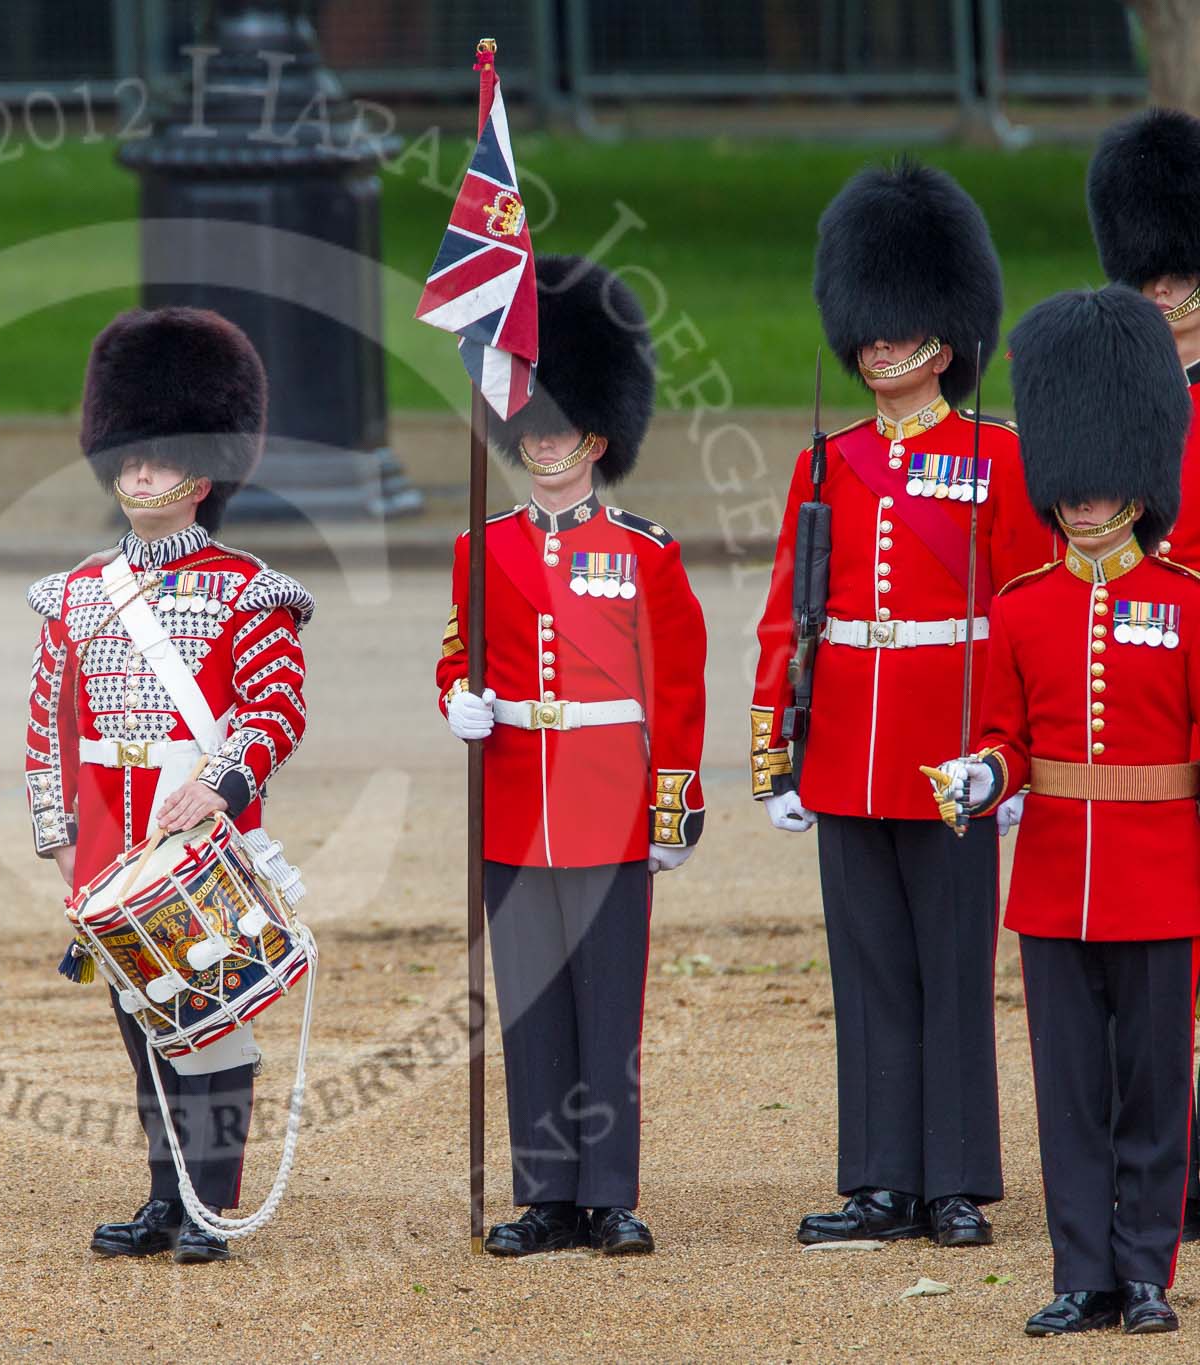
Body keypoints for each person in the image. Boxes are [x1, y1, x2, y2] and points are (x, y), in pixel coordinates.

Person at [749, 159, 1051, 1248]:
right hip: (843, 747)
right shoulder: (822, 465)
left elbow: (1023, 614)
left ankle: (953, 1179)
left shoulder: (995, 458)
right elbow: (786, 620)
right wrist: (776, 759)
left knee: (951, 969)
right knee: (867, 969)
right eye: (867, 329)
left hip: (950, 751)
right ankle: (878, 1177)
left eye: (900, 327)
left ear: (944, 333)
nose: (879, 347)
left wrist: (1011, 755)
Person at [928, 285, 1194, 1337]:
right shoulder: (1020, 607)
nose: (1079, 504)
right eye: (1067, 491)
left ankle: (1143, 1271)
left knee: (1150, 1089)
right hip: (1051, 882)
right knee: (1068, 1092)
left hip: (1159, 873)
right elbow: (1007, 737)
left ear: (1132, 483)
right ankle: (1080, 1270)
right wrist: (980, 779)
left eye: (1095, 489)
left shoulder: (1183, 604)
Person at [22, 308, 312, 1264]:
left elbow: (277, 709)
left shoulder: (246, 588)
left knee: (212, 1015)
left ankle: (212, 1204)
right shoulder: (74, 593)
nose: (140, 475)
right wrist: (58, 832)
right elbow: (48, 726)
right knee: (142, 1019)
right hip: (108, 834)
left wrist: (222, 788)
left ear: (204, 471)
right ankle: (164, 1192)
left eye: (160, 458)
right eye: (130, 457)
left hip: (199, 834)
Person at [437, 256, 707, 1257]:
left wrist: (672, 806)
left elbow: (675, 690)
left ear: (597, 438)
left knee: (606, 1006)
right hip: (513, 797)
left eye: (563, 431)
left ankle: (608, 1192)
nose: (544, 446)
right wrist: (456, 700)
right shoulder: (482, 546)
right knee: (531, 1008)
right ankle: (543, 1194)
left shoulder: (643, 551)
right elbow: (457, 650)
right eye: (532, 431)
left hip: (607, 802)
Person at [1088, 107, 1200, 1240]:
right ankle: (1156, 1158)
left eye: (1178, 273)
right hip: (1136, 689)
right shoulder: (1115, 399)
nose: (1161, 291)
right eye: (1148, 275)